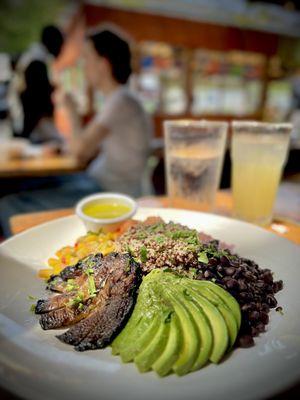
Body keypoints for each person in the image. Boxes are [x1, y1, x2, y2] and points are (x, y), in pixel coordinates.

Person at [0, 29, 151, 237]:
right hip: (95, 182)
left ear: (103, 64)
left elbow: (79, 152)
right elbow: (84, 148)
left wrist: (70, 111)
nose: (84, 66)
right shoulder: (120, 100)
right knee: (24, 185)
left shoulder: (121, 101)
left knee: (8, 203)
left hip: (108, 192)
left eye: (87, 59)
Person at [13, 25, 64, 144]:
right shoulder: (37, 63)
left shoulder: (32, 58)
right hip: (34, 127)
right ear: (53, 42)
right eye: (60, 44)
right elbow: (36, 98)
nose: (61, 50)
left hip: (27, 123)